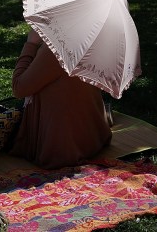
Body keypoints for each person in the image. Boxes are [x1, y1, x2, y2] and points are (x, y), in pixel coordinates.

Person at [8, 27, 112, 169]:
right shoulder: (93, 36)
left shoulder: (59, 46)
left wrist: (31, 44)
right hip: (94, 136)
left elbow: (19, 88)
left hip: (63, 148)